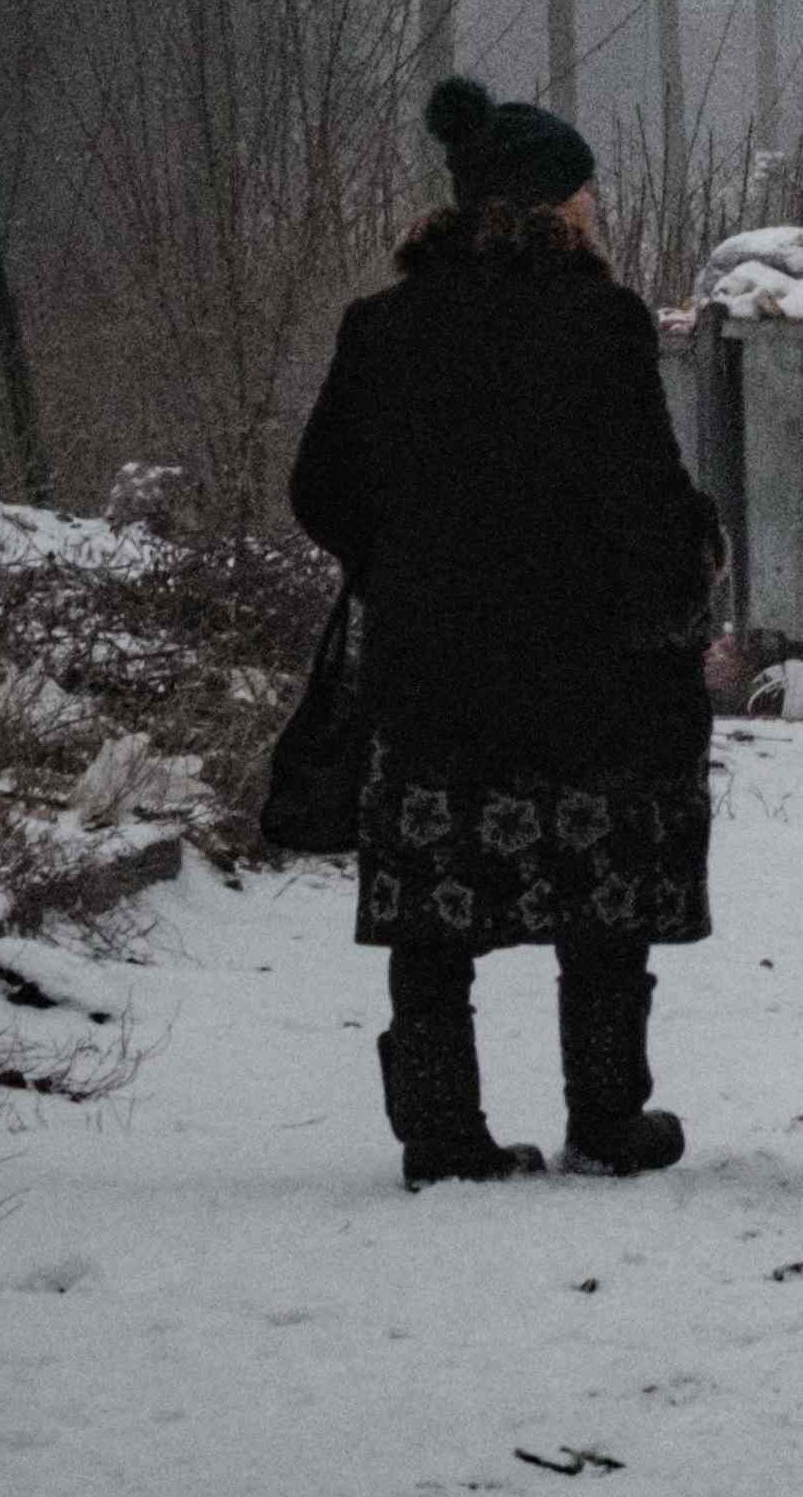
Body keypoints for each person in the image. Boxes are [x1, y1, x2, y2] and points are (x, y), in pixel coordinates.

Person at [290, 76, 719, 1189]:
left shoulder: (381, 325)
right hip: (589, 662)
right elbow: (646, 491)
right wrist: (684, 572)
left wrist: (399, 561)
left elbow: (320, 489)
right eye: (586, 191)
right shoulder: (599, 321)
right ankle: (608, 1118)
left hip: (432, 662)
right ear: (556, 204)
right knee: (602, 889)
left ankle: (442, 1132)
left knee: (432, 906)